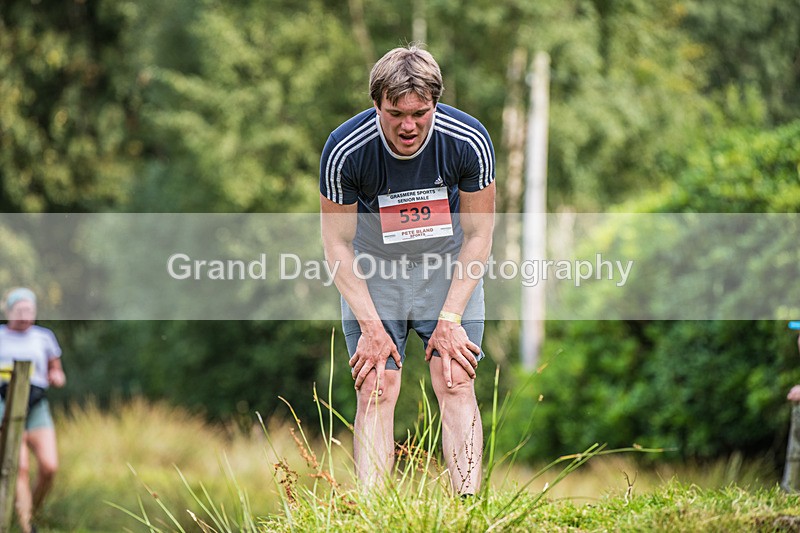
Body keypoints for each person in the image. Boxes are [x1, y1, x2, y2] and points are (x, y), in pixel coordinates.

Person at [319, 44, 495, 495]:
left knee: (454, 379)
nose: (409, 125)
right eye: (395, 113)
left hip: (447, 269)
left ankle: (467, 507)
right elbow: (336, 245)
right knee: (376, 384)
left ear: (435, 103)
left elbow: (479, 235)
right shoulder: (345, 150)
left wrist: (451, 319)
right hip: (374, 272)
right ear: (376, 104)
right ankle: (376, 513)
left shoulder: (468, 140)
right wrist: (371, 326)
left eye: (421, 112)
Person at [0, 288, 66, 533]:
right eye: (20, 310)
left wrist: (56, 376)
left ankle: (32, 512)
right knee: (20, 467)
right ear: (8, 311)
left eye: (30, 310)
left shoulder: (44, 337)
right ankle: (27, 527)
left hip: (36, 402)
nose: (25, 315)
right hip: (5, 402)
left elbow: (56, 369)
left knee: (49, 467)